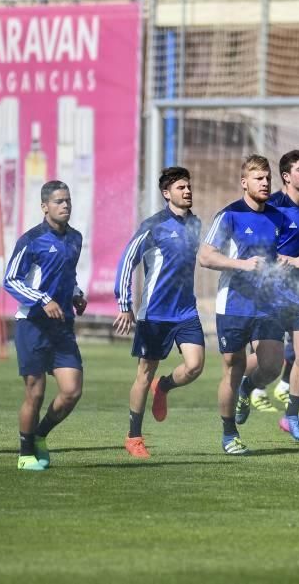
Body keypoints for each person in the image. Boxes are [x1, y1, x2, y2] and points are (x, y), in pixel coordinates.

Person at [198, 154, 299, 454]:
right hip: (233, 304)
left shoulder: (277, 217)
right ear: (244, 183)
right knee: (232, 368)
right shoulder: (229, 215)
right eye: (259, 179)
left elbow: (274, 258)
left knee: (272, 365)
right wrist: (242, 265)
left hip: (268, 304)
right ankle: (229, 433)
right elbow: (206, 256)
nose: (265, 183)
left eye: (268, 178)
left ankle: (249, 388)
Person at [113, 167, 205, 458]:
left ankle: (163, 386)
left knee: (195, 366)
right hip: (155, 314)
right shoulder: (153, 225)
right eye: (180, 187)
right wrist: (125, 305)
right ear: (167, 193)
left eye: (188, 186)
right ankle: (134, 437)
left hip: (186, 311)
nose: (187, 191)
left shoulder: (196, 224)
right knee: (143, 373)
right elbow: (127, 262)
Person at [4, 180, 87, 470]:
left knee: (72, 391)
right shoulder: (31, 240)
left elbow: (68, 275)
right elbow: (11, 279)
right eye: (58, 201)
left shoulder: (75, 238)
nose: (65, 206)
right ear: (44, 207)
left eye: (68, 201)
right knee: (35, 393)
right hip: (33, 326)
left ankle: (39, 435)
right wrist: (42, 299)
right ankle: (25, 453)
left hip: (62, 326)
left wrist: (76, 295)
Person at [235, 150, 299, 436]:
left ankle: (292, 416)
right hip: (271, 293)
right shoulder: (271, 209)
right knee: (267, 364)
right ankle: (243, 385)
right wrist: (293, 261)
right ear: (286, 176)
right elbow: (264, 252)